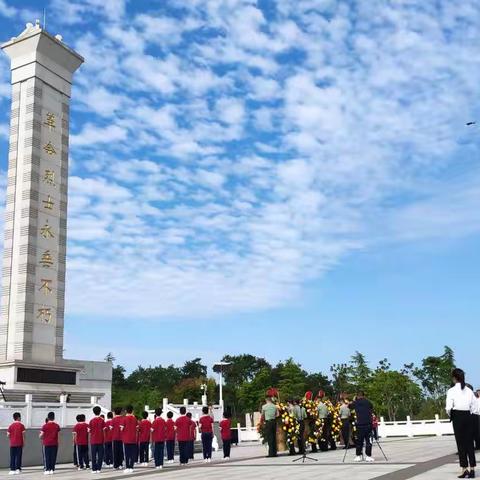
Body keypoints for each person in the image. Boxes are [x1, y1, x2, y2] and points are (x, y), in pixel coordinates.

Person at [446, 369, 476, 478]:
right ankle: (472, 469)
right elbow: (474, 406)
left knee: (461, 444)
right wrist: (470, 414)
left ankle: (464, 469)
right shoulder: (468, 390)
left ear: (454, 378)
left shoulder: (451, 391)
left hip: (457, 416)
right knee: (469, 443)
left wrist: (452, 415)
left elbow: (448, 407)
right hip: (468, 415)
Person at [350, 391, 374, 463]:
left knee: (359, 441)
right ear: (364, 396)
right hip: (368, 424)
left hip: (359, 425)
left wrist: (354, 400)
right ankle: (368, 456)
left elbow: (349, 406)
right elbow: (371, 407)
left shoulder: (355, 402)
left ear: (357, 396)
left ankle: (358, 456)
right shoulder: (368, 402)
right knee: (368, 441)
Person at [121, 405, 138, 473]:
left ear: (126, 411)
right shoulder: (135, 419)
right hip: (133, 438)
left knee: (127, 454)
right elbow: (137, 428)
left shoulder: (124, 419)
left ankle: (127, 467)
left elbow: (121, 429)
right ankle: (131, 467)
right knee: (132, 453)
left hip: (126, 439)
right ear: (132, 411)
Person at [89, 406, 105, 473]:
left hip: (93, 440)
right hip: (101, 440)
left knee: (93, 455)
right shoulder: (102, 420)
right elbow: (104, 430)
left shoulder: (91, 421)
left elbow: (89, 431)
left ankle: (93, 469)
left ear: (93, 412)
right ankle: (99, 468)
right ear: (100, 411)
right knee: (100, 455)